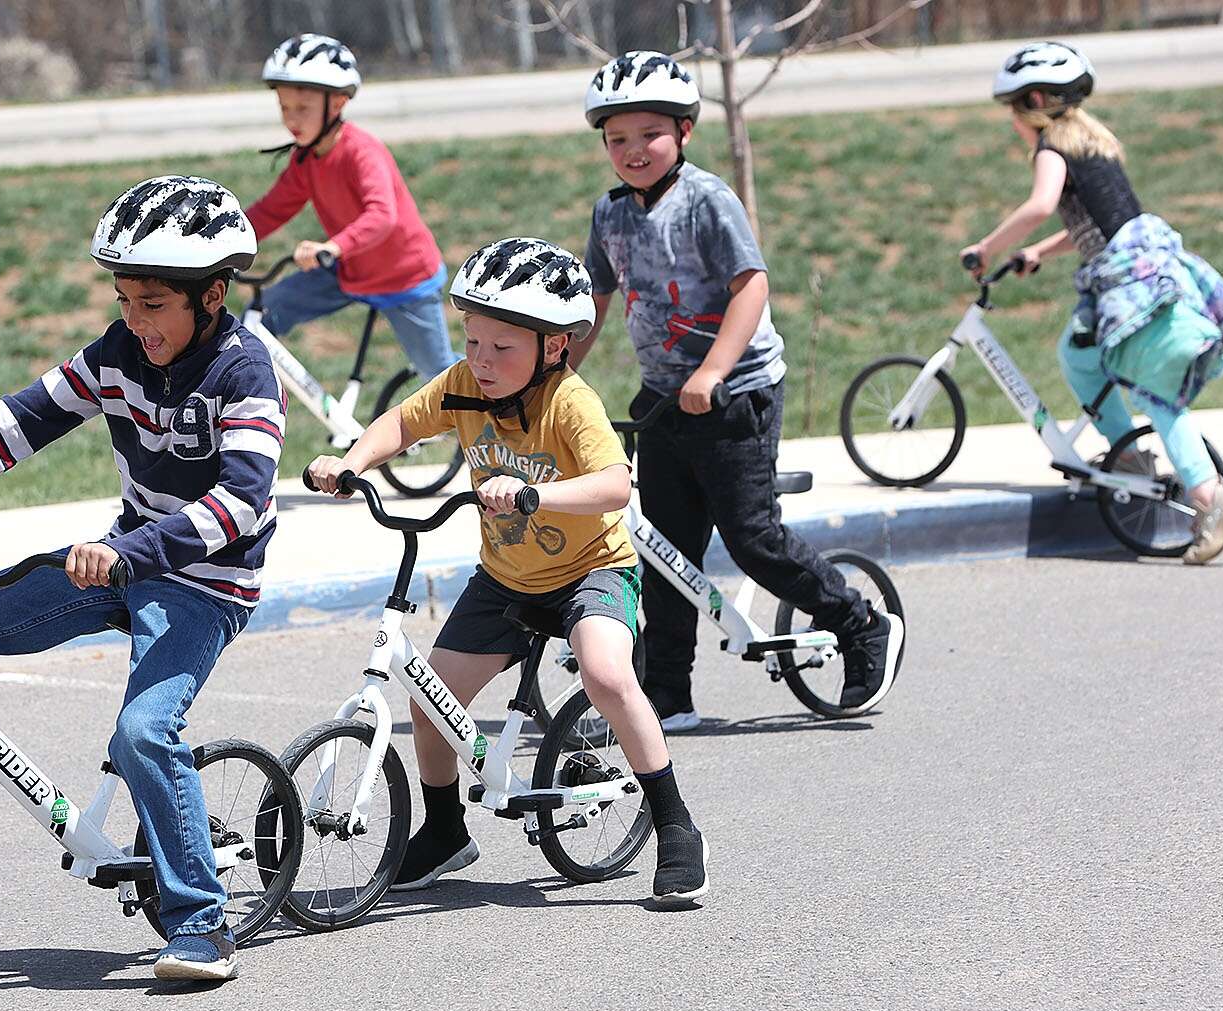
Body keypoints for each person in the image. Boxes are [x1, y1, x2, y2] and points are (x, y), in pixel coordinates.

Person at [0, 176, 286, 982]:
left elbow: (241, 502)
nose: (135, 320)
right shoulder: (116, 354)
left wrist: (134, 553)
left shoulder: (244, 375)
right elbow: (17, 421)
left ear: (212, 296)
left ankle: (202, 921)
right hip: (123, 560)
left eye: (154, 304)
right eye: (125, 298)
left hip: (205, 584)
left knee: (142, 734)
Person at [307, 238, 709, 904]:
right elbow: (403, 423)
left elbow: (615, 485)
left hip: (592, 568)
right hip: (506, 576)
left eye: (503, 348)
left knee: (607, 672)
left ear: (554, 347)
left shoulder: (570, 404)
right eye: (473, 342)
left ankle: (675, 823)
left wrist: (534, 494)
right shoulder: (464, 387)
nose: (483, 362)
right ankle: (443, 830)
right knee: (428, 699)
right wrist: (352, 461)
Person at [571, 51, 903, 730]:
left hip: (735, 392)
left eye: (649, 134)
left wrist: (714, 370)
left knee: (751, 537)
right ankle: (668, 693)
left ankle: (859, 621)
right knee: (661, 550)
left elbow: (750, 287)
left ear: (685, 131)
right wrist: (557, 375)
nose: (633, 150)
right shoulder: (609, 214)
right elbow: (597, 299)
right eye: (617, 138)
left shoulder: (707, 201)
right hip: (662, 397)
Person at [961, 41, 1223, 564]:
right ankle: (1130, 459)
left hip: (1131, 287)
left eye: (1013, 110)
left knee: (1152, 392)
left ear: (1035, 100)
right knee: (1083, 356)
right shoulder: (1092, 143)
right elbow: (1099, 224)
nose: (1012, 123)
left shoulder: (1052, 145)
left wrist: (987, 247)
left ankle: (1204, 495)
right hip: (1145, 274)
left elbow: (1040, 205)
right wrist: (1040, 251)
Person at [245, 33, 458, 382]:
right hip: (348, 270)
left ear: (338, 103)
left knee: (440, 377)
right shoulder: (307, 159)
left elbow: (382, 215)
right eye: (284, 107)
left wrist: (333, 246)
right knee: (260, 315)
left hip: (403, 276)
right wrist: (224, 240)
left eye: (303, 109)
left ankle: (494, 423)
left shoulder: (362, 151)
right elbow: (272, 210)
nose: (291, 119)